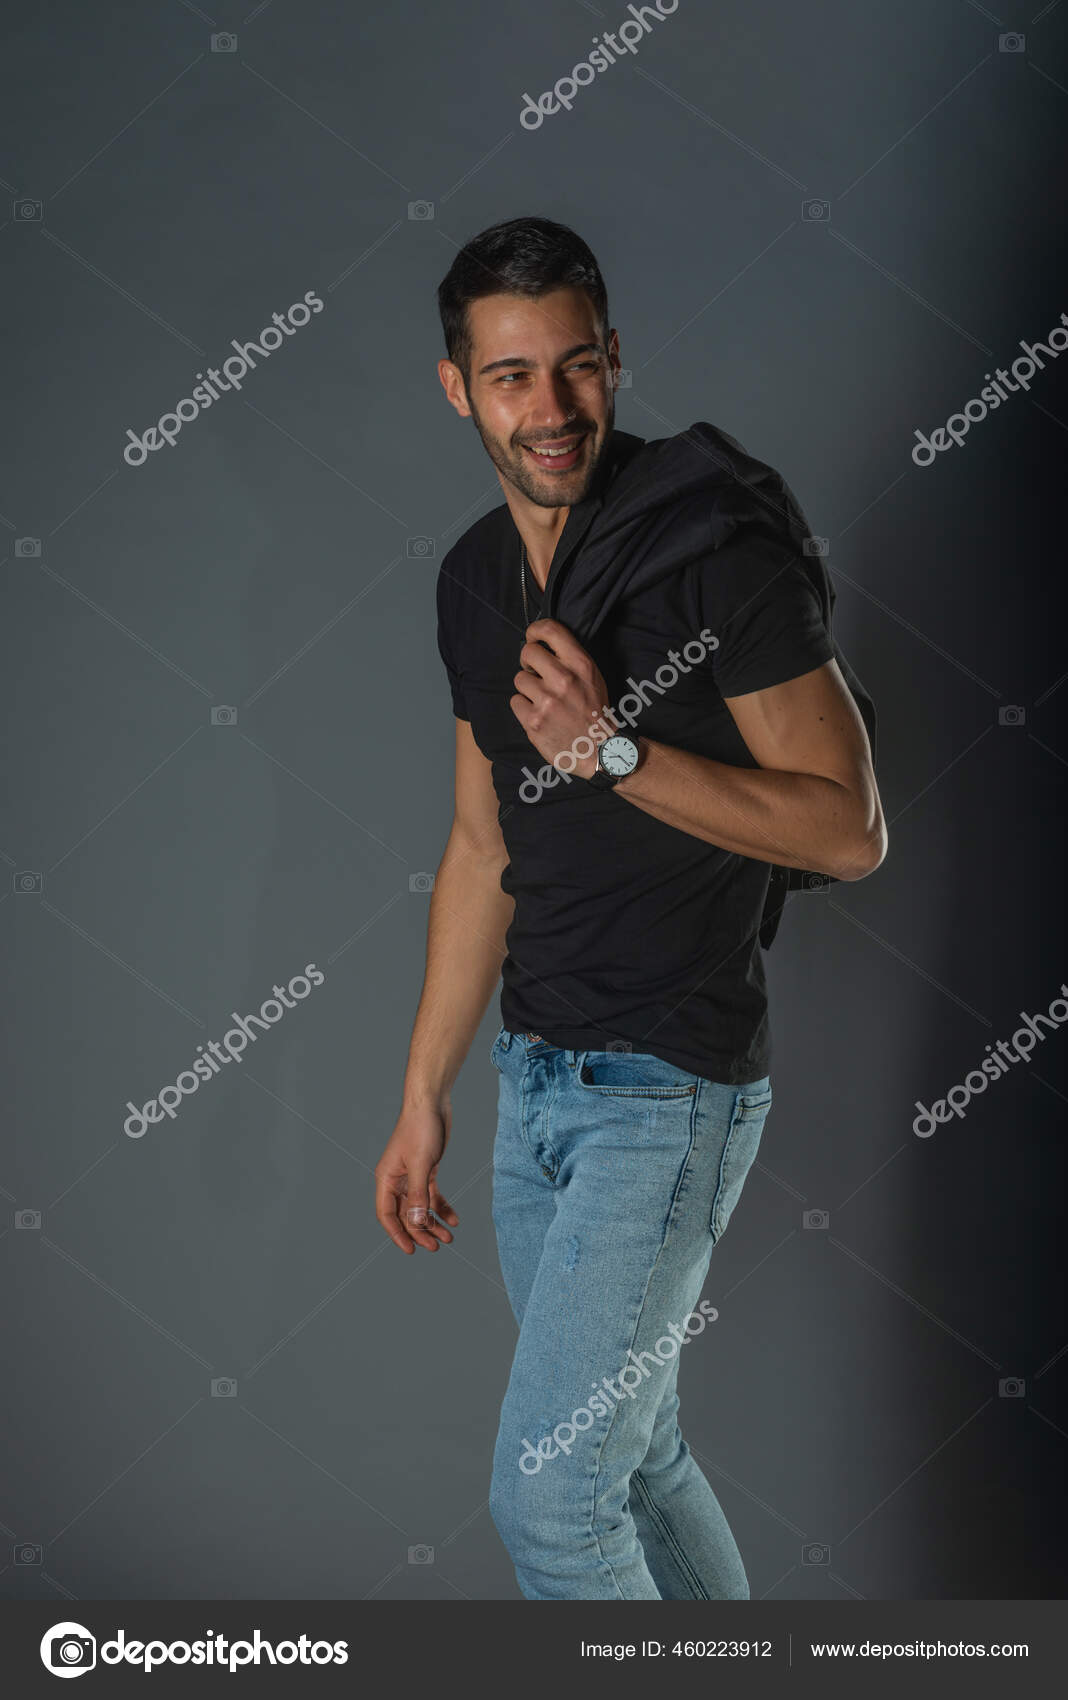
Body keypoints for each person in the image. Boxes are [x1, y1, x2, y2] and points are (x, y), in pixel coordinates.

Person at [374, 216, 886, 1600]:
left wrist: (616, 751)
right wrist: (427, 1090)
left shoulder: (713, 549)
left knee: (553, 1503)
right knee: (638, 1459)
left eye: (578, 369)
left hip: (667, 1086)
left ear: (616, 362)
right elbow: (482, 848)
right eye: (512, 376)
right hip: (538, 1088)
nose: (551, 411)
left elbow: (849, 828)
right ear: (456, 387)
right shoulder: (473, 582)